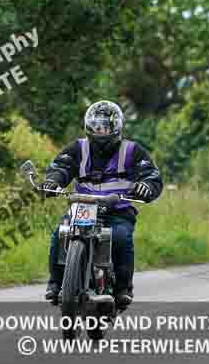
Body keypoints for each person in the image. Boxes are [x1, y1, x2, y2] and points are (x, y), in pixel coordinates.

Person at [39, 100, 163, 308]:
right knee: (60, 233)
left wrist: (146, 187)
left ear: (116, 127)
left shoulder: (132, 150)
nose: (101, 130)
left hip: (118, 209)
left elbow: (151, 175)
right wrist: (53, 180)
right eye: (96, 126)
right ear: (88, 126)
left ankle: (123, 289)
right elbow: (61, 166)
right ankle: (56, 283)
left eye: (105, 126)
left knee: (121, 238)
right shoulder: (77, 148)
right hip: (83, 206)